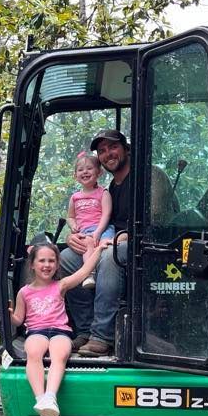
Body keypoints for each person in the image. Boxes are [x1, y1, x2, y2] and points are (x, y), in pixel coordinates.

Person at [9, 240, 98, 416]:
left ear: (57, 264)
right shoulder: (24, 292)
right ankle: (41, 399)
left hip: (60, 331)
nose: (47, 265)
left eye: (51, 261)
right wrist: (8, 316)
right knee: (33, 352)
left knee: (60, 354)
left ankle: (50, 398)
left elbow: (83, 272)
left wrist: (98, 250)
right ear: (32, 264)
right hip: (36, 331)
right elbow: (18, 318)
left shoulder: (61, 285)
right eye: (42, 260)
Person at [59, 128, 131, 357]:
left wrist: (118, 238)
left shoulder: (148, 177)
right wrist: (74, 237)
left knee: (110, 257)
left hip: (140, 247)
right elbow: (92, 218)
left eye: (113, 147)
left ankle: (102, 336)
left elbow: (157, 223)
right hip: (106, 239)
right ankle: (85, 330)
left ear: (126, 148)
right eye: (102, 150)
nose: (108, 153)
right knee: (65, 260)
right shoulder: (110, 189)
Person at [66, 151, 115, 290]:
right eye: (80, 170)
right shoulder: (75, 197)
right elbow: (70, 216)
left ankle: (97, 276)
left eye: (89, 168)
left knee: (106, 246)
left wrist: (98, 232)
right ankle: (89, 275)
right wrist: (73, 225)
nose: (85, 172)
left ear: (99, 173)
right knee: (88, 243)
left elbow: (106, 215)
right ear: (75, 176)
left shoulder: (103, 193)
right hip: (85, 231)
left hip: (103, 229)